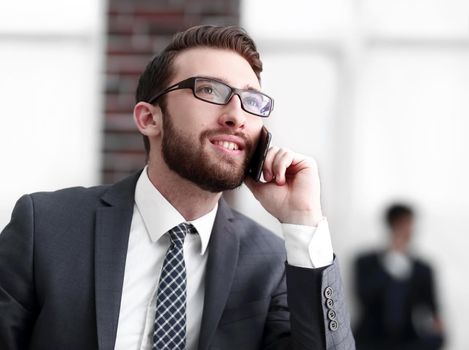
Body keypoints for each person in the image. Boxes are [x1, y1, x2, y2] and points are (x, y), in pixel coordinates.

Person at [0, 25, 355, 350]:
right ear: (149, 118)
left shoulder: (272, 263)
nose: (237, 115)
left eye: (252, 100)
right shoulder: (45, 227)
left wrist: (303, 221)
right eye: (211, 90)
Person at [353, 203, 445, 350]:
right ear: (391, 225)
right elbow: (364, 296)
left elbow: (432, 308)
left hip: (410, 339)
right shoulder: (365, 263)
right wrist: (392, 259)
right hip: (370, 339)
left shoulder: (423, 268)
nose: (408, 229)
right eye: (403, 223)